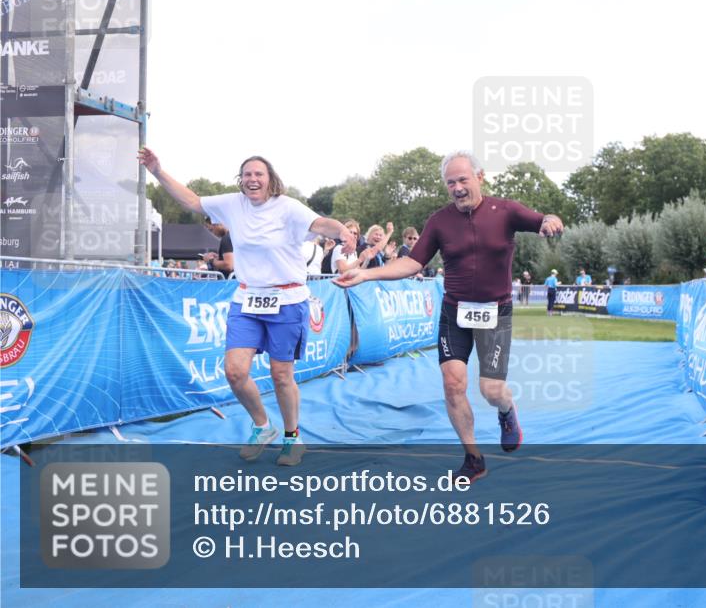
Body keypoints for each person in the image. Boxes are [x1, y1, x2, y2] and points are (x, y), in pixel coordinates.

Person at [336, 150, 563, 484]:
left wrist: (549, 221)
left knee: (491, 390)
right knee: (453, 383)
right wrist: (366, 275)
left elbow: (543, 218)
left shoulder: (505, 210)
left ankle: (506, 410)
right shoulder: (440, 221)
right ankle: (473, 459)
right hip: (454, 312)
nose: (457, 188)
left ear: (480, 177)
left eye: (463, 180)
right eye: (450, 182)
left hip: (495, 313)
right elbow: (413, 262)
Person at [138, 147, 355, 466]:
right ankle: (262, 426)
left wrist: (343, 231)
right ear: (241, 180)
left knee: (281, 375)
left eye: (259, 174)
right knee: (235, 372)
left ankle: (292, 438)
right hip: (247, 299)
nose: (253, 179)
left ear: (270, 179)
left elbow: (322, 223)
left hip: (287, 299)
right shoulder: (232, 204)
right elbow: (192, 201)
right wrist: (157, 170)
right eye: (247, 175)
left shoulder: (288, 208)